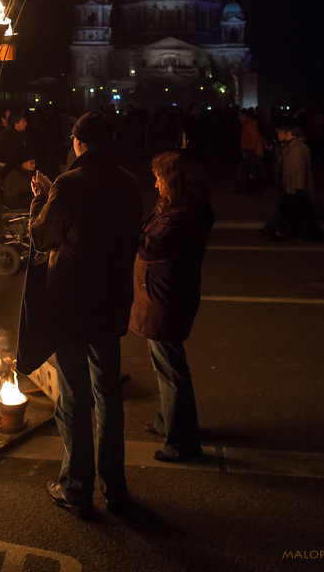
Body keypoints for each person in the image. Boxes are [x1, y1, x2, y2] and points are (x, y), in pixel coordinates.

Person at [18, 110, 141, 517]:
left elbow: (42, 236)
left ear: (79, 142)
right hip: (111, 301)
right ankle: (116, 488)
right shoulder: (127, 182)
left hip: (71, 303)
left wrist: (41, 197)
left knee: (74, 397)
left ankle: (77, 486)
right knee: (107, 394)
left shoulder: (70, 184)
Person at [130, 151, 213, 462]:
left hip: (165, 300)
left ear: (173, 180)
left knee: (171, 369)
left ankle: (181, 441)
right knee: (166, 365)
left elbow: (150, 247)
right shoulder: (177, 208)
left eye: (159, 177)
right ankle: (168, 421)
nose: (155, 183)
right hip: (162, 296)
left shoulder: (180, 216)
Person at [264, 123, 321, 241]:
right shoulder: (291, 146)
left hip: (295, 185)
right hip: (293, 184)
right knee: (302, 209)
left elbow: (299, 168)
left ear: (290, 134)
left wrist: (299, 186)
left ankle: (283, 231)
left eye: (281, 133)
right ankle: (306, 232)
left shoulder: (297, 148)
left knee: (295, 209)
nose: (279, 135)